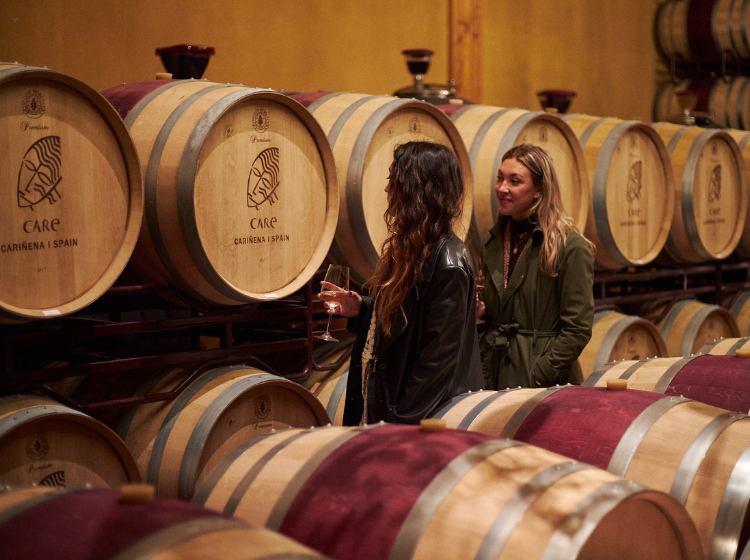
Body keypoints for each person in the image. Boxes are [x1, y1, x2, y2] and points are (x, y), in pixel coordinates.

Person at [320, 141, 484, 425]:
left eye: (393, 180)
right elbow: (410, 322)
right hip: (391, 406)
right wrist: (364, 309)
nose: (386, 189)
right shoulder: (414, 248)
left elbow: (438, 360)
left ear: (417, 190)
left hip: (418, 419)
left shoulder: (448, 262)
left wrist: (397, 424)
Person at [477, 144, 594, 390]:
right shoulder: (492, 242)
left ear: (539, 190)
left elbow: (577, 329)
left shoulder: (568, 246)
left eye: (514, 181)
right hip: (494, 378)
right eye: (500, 178)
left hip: (542, 387)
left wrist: (540, 373)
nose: (502, 188)